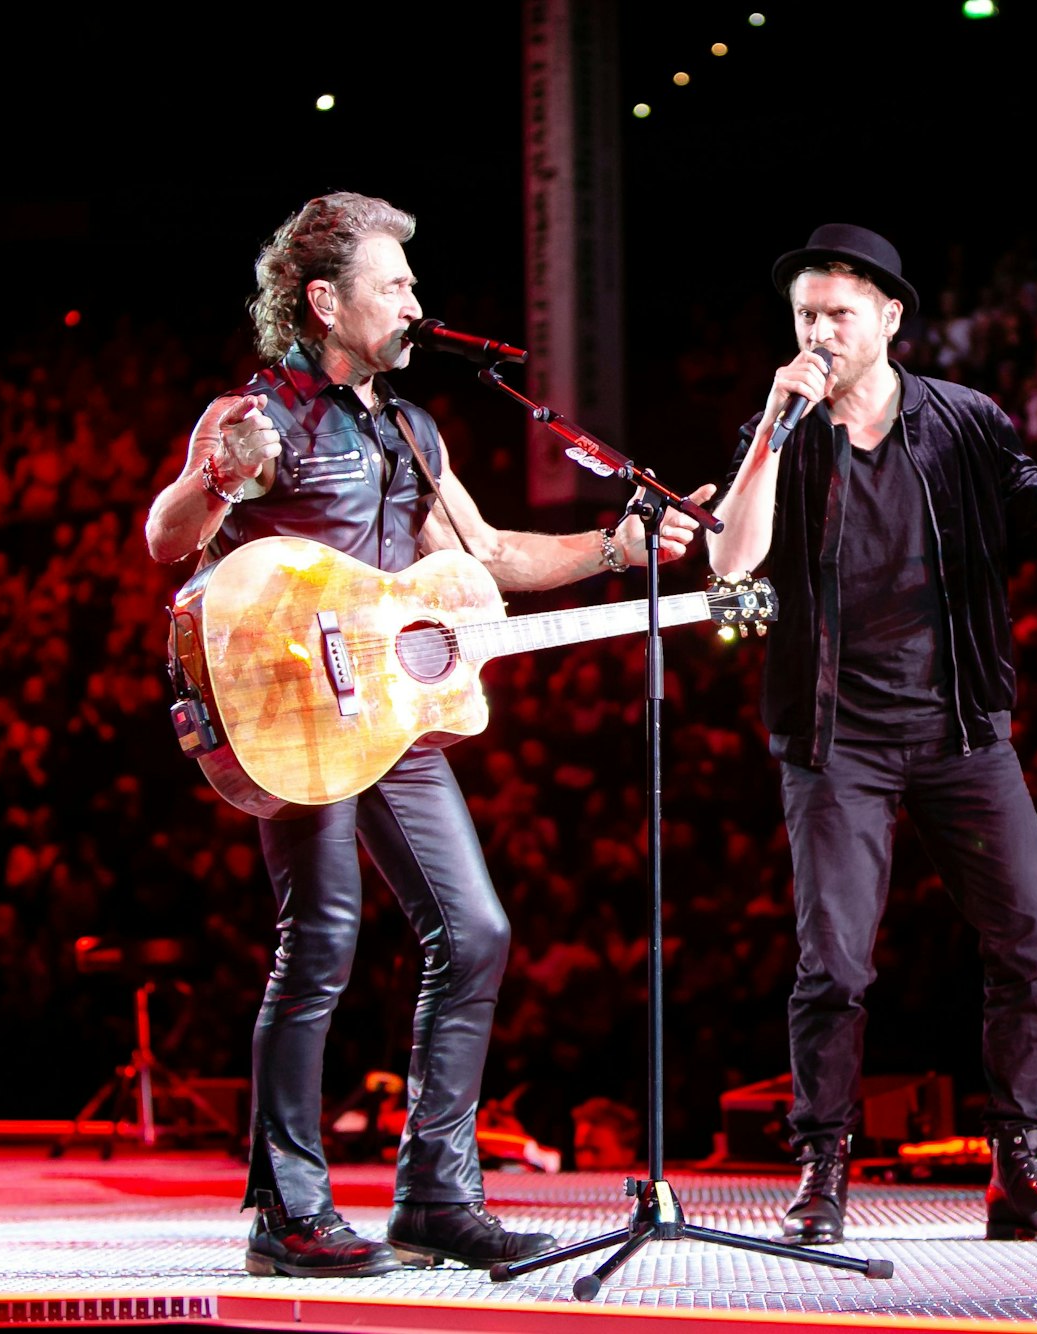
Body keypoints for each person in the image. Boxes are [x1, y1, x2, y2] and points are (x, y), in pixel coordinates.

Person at [144, 191, 713, 1277]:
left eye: (412, 282)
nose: (415, 300)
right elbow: (168, 538)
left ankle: (435, 1198)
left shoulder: (408, 424)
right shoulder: (256, 415)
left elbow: (485, 550)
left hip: (390, 719)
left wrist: (616, 545)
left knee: (477, 928)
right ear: (325, 300)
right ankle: (287, 1211)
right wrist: (214, 475)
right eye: (393, 283)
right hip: (293, 713)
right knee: (320, 942)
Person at [707, 224, 1037, 1246]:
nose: (817, 331)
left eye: (838, 315)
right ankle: (821, 1171)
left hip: (959, 725)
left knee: (1029, 937)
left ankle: (1020, 1169)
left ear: (890, 319)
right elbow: (733, 559)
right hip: (834, 737)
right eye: (806, 314)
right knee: (835, 963)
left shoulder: (965, 421)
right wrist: (773, 424)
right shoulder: (784, 430)